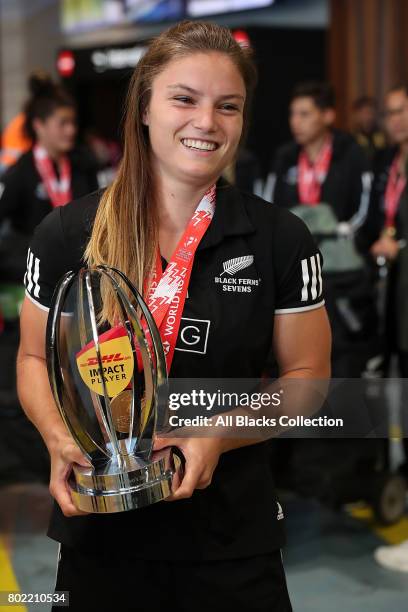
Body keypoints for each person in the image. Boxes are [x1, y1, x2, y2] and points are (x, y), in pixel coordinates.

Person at [17, 21, 331, 611]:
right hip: (99, 536)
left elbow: (309, 380)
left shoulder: (280, 239)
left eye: (228, 106)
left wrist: (217, 435)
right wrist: (60, 441)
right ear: (143, 106)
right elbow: (34, 357)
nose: (206, 122)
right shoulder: (66, 235)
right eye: (184, 98)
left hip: (231, 542)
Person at [264, 81, 373, 377]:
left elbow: (365, 210)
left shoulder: (350, 153)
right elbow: (270, 206)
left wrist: (334, 234)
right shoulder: (284, 156)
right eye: (292, 114)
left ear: (327, 116)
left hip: (340, 270)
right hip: (294, 269)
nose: (295, 122)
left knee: (341, 354)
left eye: (304, 114)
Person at [358, 84, 408, 573]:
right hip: (394, 310)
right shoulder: (388, 164)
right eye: (388, 112)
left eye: (400, 112)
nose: (393, 120)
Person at [0, 74, 99, 283]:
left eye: (73, 122)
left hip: (82, 274)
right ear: (39, 125)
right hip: (35, 277)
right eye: (62, 123)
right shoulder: (20, 172)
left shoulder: (83, 164)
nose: (71, 130)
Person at [351, 95, 386, 164]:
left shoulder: (382, 136)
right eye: (363, 113)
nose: (367, 117)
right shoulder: (351, 140)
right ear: (356, 115)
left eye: (370, 112)